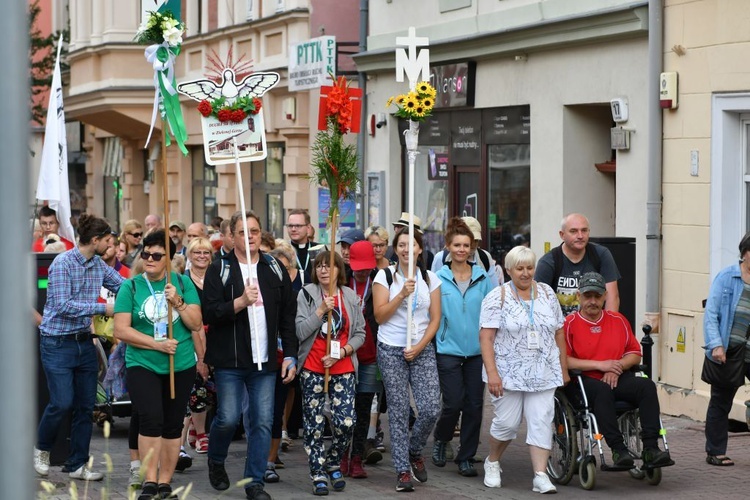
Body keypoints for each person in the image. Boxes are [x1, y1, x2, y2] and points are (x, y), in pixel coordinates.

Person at [202, 210, 298, 500]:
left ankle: (254, 482)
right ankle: (216, 459)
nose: (250, 236)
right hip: (230, 360)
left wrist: (291, 355)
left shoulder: (273, 268)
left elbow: (287, 317)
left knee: (263, 421)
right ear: (231, 236)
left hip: (264, 361)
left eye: (254, 231)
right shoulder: (219, 269)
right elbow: (210, 312)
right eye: (243, 232)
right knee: (228, 418)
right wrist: (240, 302)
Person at [113, 230, 203, 499]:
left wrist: (177, 301)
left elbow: (196, 323)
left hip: (181, 364)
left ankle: (165, 482)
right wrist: (156, 344)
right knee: (151, 419)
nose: (149, 259)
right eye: (146, 253)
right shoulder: (131, 286)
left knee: (172, 424)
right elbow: (121, 330)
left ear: (169, 258)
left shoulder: (183, 283)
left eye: (156, 255)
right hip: (143, 363)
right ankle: (149, 481)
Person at [34, 213, 125, 481]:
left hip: (84, 342)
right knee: (61, 402)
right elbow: (63, 305)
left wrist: (146, 286)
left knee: (86, 407)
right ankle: (41, 449)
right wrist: (104, 307)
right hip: (56, 343)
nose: (110, 246)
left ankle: (77, 464)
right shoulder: (62, 264)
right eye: (107, 241)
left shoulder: (98, 264)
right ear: (94, 240)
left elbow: (122, 286)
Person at [479, 245, 568, 494]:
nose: (526, 273)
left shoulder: (548, 294)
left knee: (541, 421)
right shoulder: (497, 297)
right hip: (508, 373)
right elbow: (486, 338)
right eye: (520, 268)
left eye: (530, 267)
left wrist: (563, 366)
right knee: (507, 423)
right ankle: (493, 461)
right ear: (509, 270)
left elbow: (558, 331)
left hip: (543, 370)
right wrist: (493, 373)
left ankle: (540, 475)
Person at [565, 272, 673, 469]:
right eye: (587, 296)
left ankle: (650, 448)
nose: (592, 301)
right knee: (602, 390)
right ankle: (618, 449)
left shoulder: (618, 320)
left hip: (618, 377)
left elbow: (634, 353)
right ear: (578, 296)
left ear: (605, 296)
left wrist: (617, 367)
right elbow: (565, 360)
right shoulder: (569, 324)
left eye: (597, 296)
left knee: (646, 386)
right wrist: (600, 365)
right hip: (583, 382)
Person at [373, 228, 442, 492]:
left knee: (430, 408)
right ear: (395, 249)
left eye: (411, 245)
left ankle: (415, 450)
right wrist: (401, 294)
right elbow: (380, 316)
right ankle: (402, 469)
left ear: (419, 249)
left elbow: (435, 318)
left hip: (421, 348)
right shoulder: (385, 276)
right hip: (391, 348)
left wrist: (420, 346)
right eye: (401, 245)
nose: (406, 249)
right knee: (400, 410)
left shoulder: (429, 277)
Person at [296, 251, 366, 495]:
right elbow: (300, 332)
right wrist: (319, 311)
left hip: (343, 367)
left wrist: (343, 352)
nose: (324, 270)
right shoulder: (306, 294)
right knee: (313, 424)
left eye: (329, 266)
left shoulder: (350, 297)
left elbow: (360, 334)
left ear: (339, 270)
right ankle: (317, 472)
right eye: (319, 267)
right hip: (313, 367)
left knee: (346, 422)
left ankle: (333, 460)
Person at [432, 218, 492, 477]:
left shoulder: (483, 276)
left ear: (471, 248)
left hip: (477, 352)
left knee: (474, 405)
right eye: (456, 244)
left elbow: (492, 313)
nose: (461, 249)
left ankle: (465, 456)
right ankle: (441, 438)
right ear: (448, 246)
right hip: (448, 350)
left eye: (466, 245)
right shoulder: (437, 278)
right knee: (453, 403)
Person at [703, 233, 750, 466]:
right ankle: (715, 451)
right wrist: (716, 345)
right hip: (729, 350)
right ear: (745, 253)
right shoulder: (727, 277)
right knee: (721, 400)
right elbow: (711, 314)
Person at [344, 241, 384, 478]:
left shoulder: (380, 280)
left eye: (367, 267)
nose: (362, 271)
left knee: (362, 408)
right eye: (359, 267)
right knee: (343, 409)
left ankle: (357, 457)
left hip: (371, 355)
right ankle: (341, 455)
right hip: (345, 355)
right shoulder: (342, 281)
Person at [534, 213, 620, 316]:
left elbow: (612, 297)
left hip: (594, 325)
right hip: (561, 328)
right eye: (573, 231)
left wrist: (608, 327)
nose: (580, 236)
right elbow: (540, 303)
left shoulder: (601, 255)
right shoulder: (548, 262)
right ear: (562, 235)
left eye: (584, 230)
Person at [180, 237, 215, 461]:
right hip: (191, 338)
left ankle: (198, 429)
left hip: (215, 338)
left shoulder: (216, 279)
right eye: (197, 252)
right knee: (193, 387)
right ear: (189, 255)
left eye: (206, 252)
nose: (202, 256)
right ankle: (182, 442)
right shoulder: (183, 282)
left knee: (206, 389)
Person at [431, 216, 500, 288]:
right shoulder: (441, 258)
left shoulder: (485, 257)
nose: (473, 244)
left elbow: (494, 290)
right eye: (457, 245)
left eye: (476, 240)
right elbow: (433, 287)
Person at [287, 209, 318, 285]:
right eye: (290, 226)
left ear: (308, 228)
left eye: (298, 226)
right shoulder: (283, 250)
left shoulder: (318, 249)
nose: (293, 229)